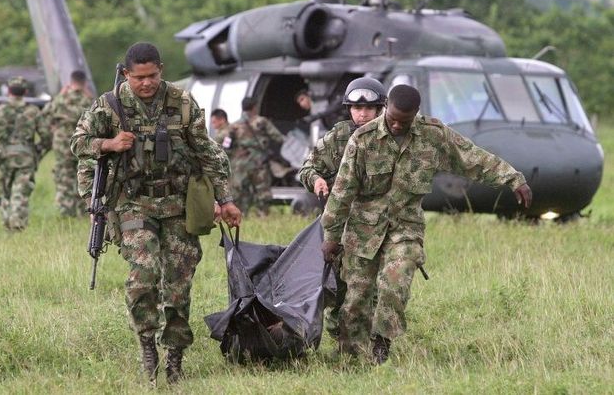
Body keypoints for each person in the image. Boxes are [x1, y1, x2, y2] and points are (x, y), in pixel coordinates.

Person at [320, 84, 532, 364]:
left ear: (415, 115)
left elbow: (473, 158)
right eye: (392, 118)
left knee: (394, 283)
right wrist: (331, 235)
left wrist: (513, 178)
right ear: (386, 109)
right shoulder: (363, 139)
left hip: (405, 228)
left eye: (403, 121)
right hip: (363, 231)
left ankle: (382, 342)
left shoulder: (433, 136)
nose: (396, 125)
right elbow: (342, 191)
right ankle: (351, 359)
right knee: (355, 300)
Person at [71, 42, 241, 385]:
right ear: (126, 74)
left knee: (178, 283)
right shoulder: (109, 105)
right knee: (143, 272)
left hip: (178, 203)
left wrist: (224, 199)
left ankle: (174, 355)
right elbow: (78, 142)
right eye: (138, 78)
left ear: (160, 70)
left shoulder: (181, 102)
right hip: (133, 203)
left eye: (152, 76)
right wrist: (108, 144)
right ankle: (147, 342)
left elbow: (206, 152)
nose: (146, 83)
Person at [298, 77, 385, 339]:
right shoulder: (337, 138)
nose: (362, 114)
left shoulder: (389, 139)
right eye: (357, 109)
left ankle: (374, 340)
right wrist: (316, 180)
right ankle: (343, 343)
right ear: (349, 109)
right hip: (341, 227)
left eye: (368, 109)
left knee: (374, 288)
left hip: (378, 226)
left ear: (380, 109)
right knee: (339, 288)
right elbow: (307, 168)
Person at [0, 76, 51, 231]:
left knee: (5, 192)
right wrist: (37, 152)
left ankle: (7, 224)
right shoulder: (33, 111)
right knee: (21, 192)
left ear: (8, 91)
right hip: (26, 158)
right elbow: (47, 137)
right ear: (25, 91)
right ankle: (17, 225)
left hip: (3, 157)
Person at [41, 70, 93, 216]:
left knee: (63, 175)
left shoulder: (61, 99)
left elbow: (45, 114)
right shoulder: (89, 101)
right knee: (83, 174)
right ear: (84, 83)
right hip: (82, 142)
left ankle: (65, 210)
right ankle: (84, 210)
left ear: (70, 82)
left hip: (61, 142)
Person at [227, 97, 284, 216]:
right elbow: (278, 137)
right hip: (259, 162)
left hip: (240, 165)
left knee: (241, 192)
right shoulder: (261, 122)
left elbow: (226, 145)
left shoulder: (234, 126)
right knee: (262, 192)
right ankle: (262, 216)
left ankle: (241, 216)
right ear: (254, 107)